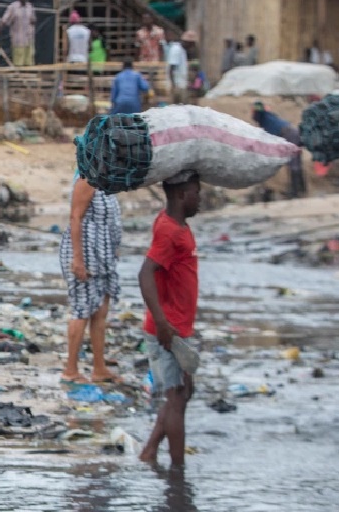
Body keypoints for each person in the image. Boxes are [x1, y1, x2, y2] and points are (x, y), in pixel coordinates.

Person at [138, 170, 202, 467]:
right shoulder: (169, 231)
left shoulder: (177, 225)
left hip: (178, 326)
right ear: (181, 195)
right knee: (176, 397)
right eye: (196, 193)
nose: (200, 198)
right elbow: (145, 273)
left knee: (183, 392)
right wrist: (162, 323)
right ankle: (178, 475)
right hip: (168, 329)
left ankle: (150, 451)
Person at [59, 175, 122, 383]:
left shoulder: (109, 182)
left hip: (104, 256)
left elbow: (110, 221)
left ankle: (99, 368)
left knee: (101, 311)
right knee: (81, 310)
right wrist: (78, 259)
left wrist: (115, 249)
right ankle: (71, 370)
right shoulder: (86, 179)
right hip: (86, 255)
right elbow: (75, 217)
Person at [252, 102, 305, 198]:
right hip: (293, 133)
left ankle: (296, 192)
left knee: (293, 164)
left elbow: (259, 110)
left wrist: (258, 106)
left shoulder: (263, 117)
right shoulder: (269, 117)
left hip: (289, 135)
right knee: (296, 163)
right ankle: (302, 189)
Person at [0, 0, 36, 67]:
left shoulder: (30, 6)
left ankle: (28, 77)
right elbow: (4, 19)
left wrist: (33, 21)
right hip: (18, 39)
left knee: (29, 61)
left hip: (28, 38)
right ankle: (19, 76)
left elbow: (33, 19)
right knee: (19, 60)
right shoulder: (13, 7)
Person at [165, 32, 188, 104]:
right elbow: (171, 68)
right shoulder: (176, 50)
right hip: (177, 84)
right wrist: (173, 86)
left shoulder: (182, 50)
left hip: (181, 84)